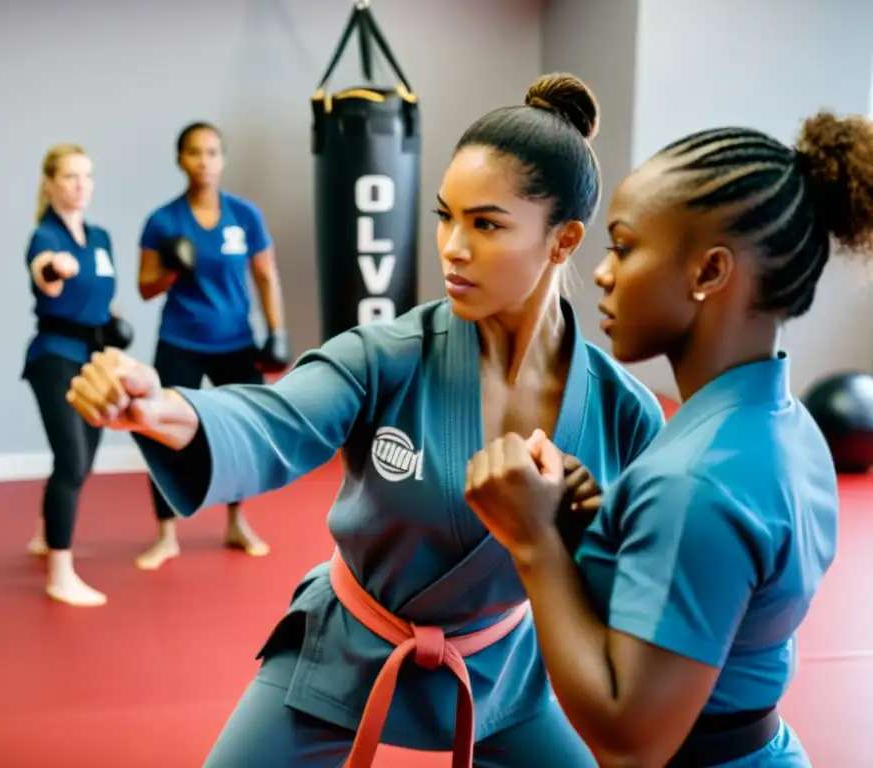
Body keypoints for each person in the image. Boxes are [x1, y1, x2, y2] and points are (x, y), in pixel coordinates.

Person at [66, 73, 667, 766]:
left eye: (486, 224)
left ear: (563, 241)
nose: (451, 246)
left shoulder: (625, 412)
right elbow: (276, 417)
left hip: (504, 673)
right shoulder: (385, 355)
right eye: (445, 215)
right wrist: (160, 406)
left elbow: (647, 587)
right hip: (346, 651)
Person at [463, 111, 873, 766]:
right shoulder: (785, 428)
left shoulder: (695, 481)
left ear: (709, 272)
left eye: (623, 246)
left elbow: (632, 743)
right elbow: (735, 605)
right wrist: (598, 523)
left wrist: (534, 542)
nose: (602, 272)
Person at [133, 120, 290, 570]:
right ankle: (166, 534)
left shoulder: (245, 215)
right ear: (181, 159)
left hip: (236, 342)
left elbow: (265, 275)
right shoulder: (163, 221)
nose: (204, 161)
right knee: (158, 431)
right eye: (195, 152)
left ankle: (237, 523)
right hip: (180, 340)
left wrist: (276, 332)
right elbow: (145, 287)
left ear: (223, 159)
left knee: (240, 435)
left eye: (212, 152)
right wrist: (171, 266)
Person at [23, 142, 126, 607]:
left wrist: (114, 319)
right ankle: (59, 574)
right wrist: (52, 270)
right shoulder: (45, 237)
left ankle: (46, 535)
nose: (80, 185)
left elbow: (100, 292)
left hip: (95, 356)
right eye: (70, 177)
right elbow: (44, 271)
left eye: (86, 176)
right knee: (70, 460)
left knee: (82, 461)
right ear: (50, 183)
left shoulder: (100, 237)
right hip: (55, 357)